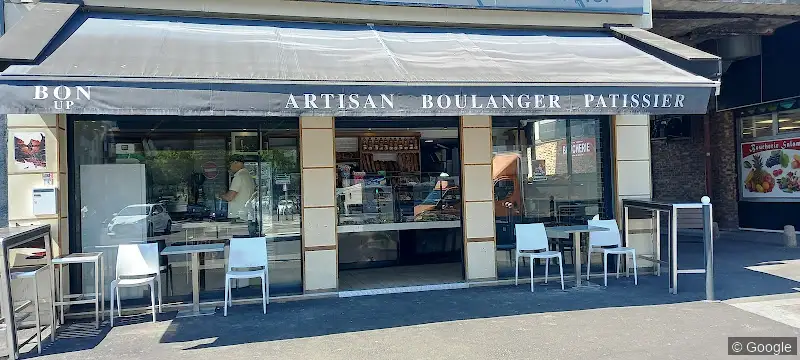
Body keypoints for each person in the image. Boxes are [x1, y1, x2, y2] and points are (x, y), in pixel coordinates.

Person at [218, 154, 256, 228]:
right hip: (246, 214)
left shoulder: (238, 177)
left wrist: (220, 195)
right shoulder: (248, 176)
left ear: (236, 163)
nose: (230, 167)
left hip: (238, 216)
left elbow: (230, 197)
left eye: (230, 164)